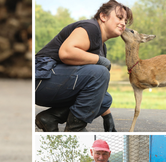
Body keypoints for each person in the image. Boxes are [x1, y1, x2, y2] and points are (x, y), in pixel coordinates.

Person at [35, 1, 133, 132]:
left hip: (54, 84)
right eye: (120, 18)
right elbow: (66, 52)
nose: (123, 24)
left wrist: (107, 117)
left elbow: (94, 87)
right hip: (40, 79)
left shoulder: (101, 46)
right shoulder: (91, 27)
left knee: (105, 99)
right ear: (103, 17)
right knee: (100, 73)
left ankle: (49, 118)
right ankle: (75, 130)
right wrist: (100, 61)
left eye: (126, 21)